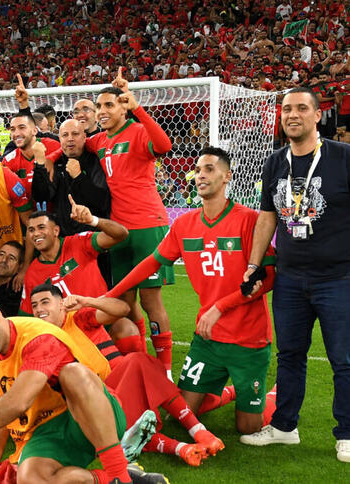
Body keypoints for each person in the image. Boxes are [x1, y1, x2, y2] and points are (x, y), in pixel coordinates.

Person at [107, 147, 278, 432]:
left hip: (248, 340)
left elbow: (269, 278)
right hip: (208, 340)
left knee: (248, 428)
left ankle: (275, 393)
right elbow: (150, 264)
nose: (201, 175)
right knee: (182, 414)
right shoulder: (184, 223)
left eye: (209, 169)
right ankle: (230, 392)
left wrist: (220, 307)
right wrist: (109, 296)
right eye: (198, 170)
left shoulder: (248, 220)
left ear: (227, 177)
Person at [0, 293, 167, 484]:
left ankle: (118, 473)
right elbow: (0, 406)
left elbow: (17, 403)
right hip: (46, 429)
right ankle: (119, 480)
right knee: (30, 478)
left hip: (93, 415)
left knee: (73, 373)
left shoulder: (38, 336)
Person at [240, 87, 350, 462]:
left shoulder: (343, 157)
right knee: (289, 355)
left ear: (317, 115)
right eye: (286, 108)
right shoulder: (275, 162)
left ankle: (348, 434)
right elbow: (268, 216)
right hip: (289, 279)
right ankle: (285, 427)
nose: (292, 114)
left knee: (344, 358)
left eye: (302, 108)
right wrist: (254, 266)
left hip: (339, 278)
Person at [29, 285, 226, 467]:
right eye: (34, 305)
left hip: (120, 385)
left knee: (136, 366)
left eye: (45, 302)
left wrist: (88, 301)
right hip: (96, 401)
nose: (39, 309)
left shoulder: (78, 318)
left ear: (62, 304)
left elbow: (123, 309)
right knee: (138, 363)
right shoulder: (39, 342)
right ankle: (193, 437)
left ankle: (188, 441)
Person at [85, 68, 174, 373]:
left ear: (123, 107)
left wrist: (138, 108)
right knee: (125, 301)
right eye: (99, 106)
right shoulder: (98, 142)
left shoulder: (136, 131)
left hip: (148, 225)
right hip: (119, 232)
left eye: (109, 105)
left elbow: (164, 147)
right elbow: (68, 146)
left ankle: (165, 369)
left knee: (151, 301)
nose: (102, 111)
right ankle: (141, 358)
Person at [21, 204, 126, 315]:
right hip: (69, 328)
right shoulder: (32, 274)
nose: (36, 234)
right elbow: (26, 316)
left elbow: (121, 234)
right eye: (31, 230)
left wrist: (93, 221)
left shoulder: (79, 242)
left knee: (125, 327)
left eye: (41, 227)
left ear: (56, 231)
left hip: (100, 315)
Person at [33, 118, 111, 237]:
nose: (70, 138)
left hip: (93, 238)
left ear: (84, 137)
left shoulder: (95, 160)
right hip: (64, 239)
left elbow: (103, 203)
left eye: (75, 134)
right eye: (65, 135)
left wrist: (79, 177)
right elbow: (42, 196)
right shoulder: (56, 163)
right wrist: (39, 165)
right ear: (60, 139)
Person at [0, 241, 24, 317]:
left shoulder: (20, 291)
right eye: (1, 254)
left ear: (19, 266)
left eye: (11, 258)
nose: (4, 260)